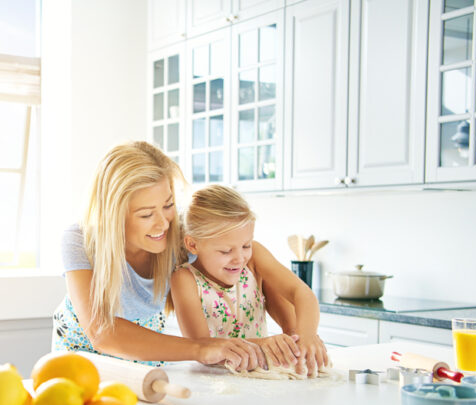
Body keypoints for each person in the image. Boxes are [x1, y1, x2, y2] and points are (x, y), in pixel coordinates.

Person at [52, 141, 264, 371]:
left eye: (168, 205)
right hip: (79, 365)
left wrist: (296, 335)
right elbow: (101, 332)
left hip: (145, 364)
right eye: (146, 215)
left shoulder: (182, 238)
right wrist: (200, 348)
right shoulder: (79, 239)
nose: (163, 224)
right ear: (113, 216)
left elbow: (249, 257)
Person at [169, 184, 328, 376]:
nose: (239, 258)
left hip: (260, 373)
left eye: (245, 245)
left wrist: (306, 335)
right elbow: (200, 345)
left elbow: (301, 293)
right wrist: (265, 345)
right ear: (193, 244)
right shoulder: (184, 279)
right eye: (226, 251)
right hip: (214, 378)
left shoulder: (254, 258)